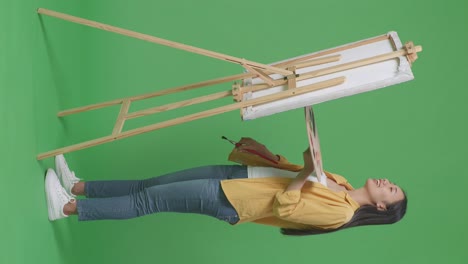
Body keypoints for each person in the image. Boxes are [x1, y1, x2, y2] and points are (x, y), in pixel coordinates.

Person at [45, 137, 407, 236]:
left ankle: (66, 209)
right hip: (240, 177)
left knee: (147, 201)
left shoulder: (341, 213)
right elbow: (293, 173)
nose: (387, 183)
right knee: (150, 184)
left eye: (391, 191)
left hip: (232, 200)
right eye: (391, 184)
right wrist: (270, 156)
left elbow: (286, 207)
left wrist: (304, 173)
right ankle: (79, 187)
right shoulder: (341, 183)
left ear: (380, 209)